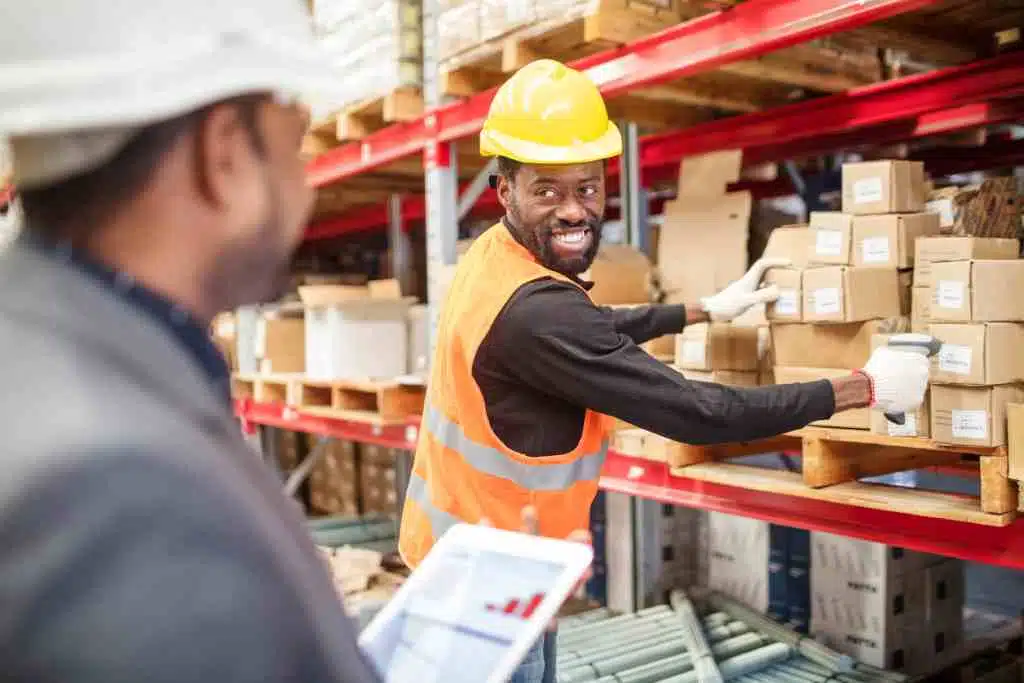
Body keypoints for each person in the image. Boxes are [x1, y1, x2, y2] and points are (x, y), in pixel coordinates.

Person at [397, 59, 930, 683]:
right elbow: (697, 413)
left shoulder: (493, 257)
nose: (574, 211)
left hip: (480, 560)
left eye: (588, 188)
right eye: (548, 191)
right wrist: (862, 387)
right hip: (482, 587)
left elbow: (585, 333)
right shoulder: (538, 310)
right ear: (505, 187)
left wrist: (702, 308)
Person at [0, 1, 414, 681]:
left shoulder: (46, 357)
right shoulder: (118, 494)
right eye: (296, 138)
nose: (304, 179)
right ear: (223, 153)